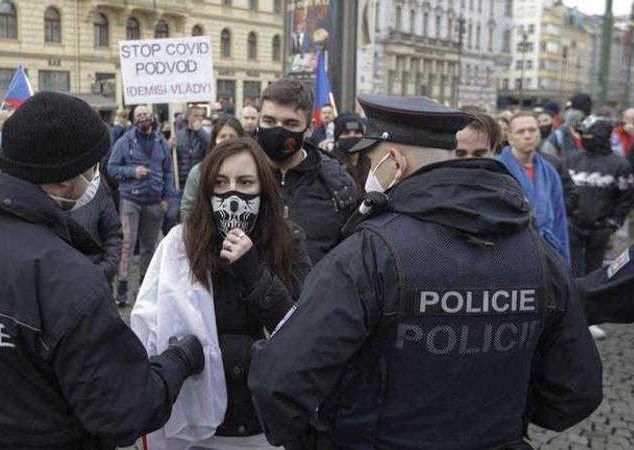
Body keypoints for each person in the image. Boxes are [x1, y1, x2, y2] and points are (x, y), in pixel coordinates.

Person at [248, 95, 603, 449]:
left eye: (372, 162)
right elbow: (576, 391)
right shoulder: (538, 253)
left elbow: (279, 383)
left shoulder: (366, 255)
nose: (367, 173)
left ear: (395, 162)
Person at [0, 92, 204, 449]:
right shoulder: (70, 278)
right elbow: (122, 412)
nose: (97, 175)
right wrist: (179, 359)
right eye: (93, 166)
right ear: (69, 179)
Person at [132, 138, 310, 450]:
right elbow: (149, 329)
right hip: (197, 430)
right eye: (221, 182)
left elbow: (302, 329)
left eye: (245, 183)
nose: (232, 195)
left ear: (262, 190)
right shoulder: (181, 245)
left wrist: (253, 275)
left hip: (264, 428)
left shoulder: (288, 241)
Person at [256, 79, 358, 264]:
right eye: (269, 121)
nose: (278, 131)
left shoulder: (338, 185)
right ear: (259, 120)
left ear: (309, 128)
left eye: (290, 124)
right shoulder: (236, 178)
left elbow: (351, 259)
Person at [107, 104, 175, 307]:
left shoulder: (161, 142)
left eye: (146, 114)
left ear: (152, 117)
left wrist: (166, 198)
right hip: (131, 201)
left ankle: (145, 289)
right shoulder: (124, 142)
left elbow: (168, 172)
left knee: (149, 247)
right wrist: (132, 172)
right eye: (139, 115)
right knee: (127, 244)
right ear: (133, 119)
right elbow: (111, 168)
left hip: (154, 202)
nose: (143, 117)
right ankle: (122, 288)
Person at [497, 112, 570, 263]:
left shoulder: (550, 172)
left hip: (547, 250)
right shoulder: (497, 168)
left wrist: (564, 262)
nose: (528, 135)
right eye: (520, 131)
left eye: (532, 130)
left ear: (539, 133)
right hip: (509, 250)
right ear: (509, 137)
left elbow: (559, 220)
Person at [567, 115, 634, 277]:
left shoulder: (620, 165)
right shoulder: (572, 159)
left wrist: (612, 225)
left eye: (590, 135)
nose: (585, 138)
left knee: (595, 274)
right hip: (572, 227)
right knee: (570, 272)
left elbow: (626, 198)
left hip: (600, 229)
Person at [67, 164, 123, 288]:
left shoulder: (97, 188)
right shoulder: (45, 190)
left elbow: (113, 232)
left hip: (97, 280)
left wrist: (107, 268)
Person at [180, 118, 247, 219]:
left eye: (232, 136)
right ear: (214, 140)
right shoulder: (199, 172)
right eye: (222, 136)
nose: (227, 141)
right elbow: (187, 209)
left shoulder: (251, 171)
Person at [329, 112, 370, 188]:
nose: (352, 135)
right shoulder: (330, 165)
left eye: (357, 132)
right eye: (346, 133)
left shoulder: (371, 162)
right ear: (337, 139)